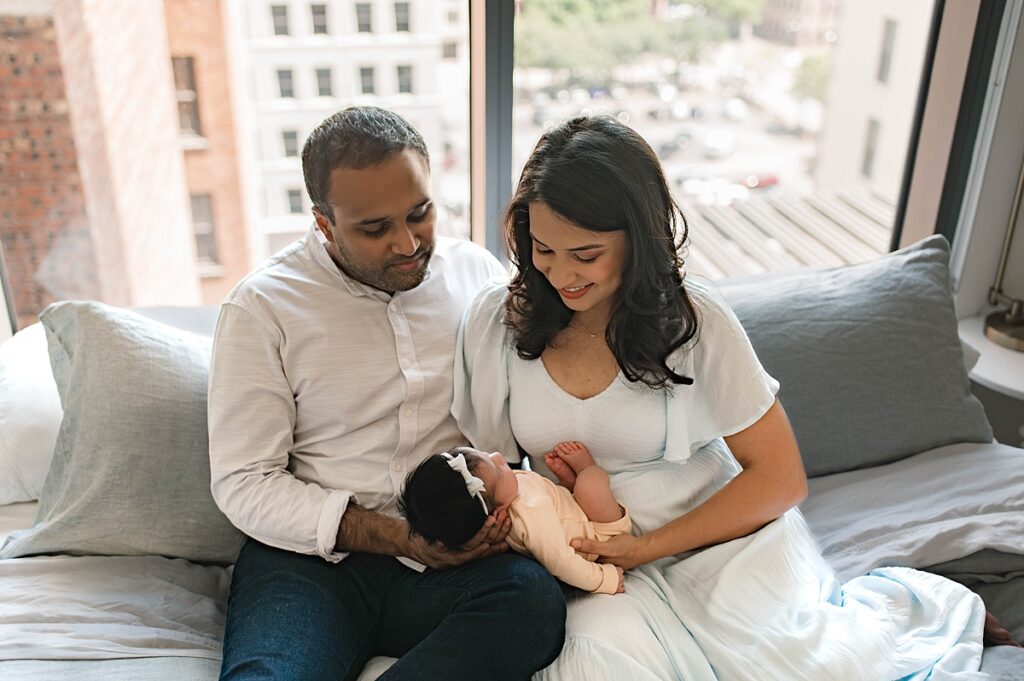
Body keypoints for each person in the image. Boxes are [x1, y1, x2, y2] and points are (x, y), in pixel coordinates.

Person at [451, 114, 1002, 680]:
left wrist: (649, 547)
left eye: (585, 255)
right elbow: (494, 466)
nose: (561, 274)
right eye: (543, 249)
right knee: (597, 668)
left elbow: (780, 478)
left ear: (637, 241)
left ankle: (915, 609)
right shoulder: (498, 322)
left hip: (716, 544)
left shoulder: (694, 323)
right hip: (592, 563)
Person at [207, 106, 565, 681]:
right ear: (325, 224)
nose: (405, 243)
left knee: (531, 604)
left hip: (458, 558)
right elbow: (243, 481)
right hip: (312, 564)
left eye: (419, 214)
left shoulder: (476, 275)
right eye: (374, 229)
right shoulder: (262, 309)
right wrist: (400, 537)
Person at [399, 442, 631, 594]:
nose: (500, 457)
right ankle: (587, 470)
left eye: (488, 456)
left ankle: (571, 490)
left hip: (575, 515)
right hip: (600, 536)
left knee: (571, 496)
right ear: (497, 514)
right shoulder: (528, 512)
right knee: (592, 485)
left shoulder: (507, 493)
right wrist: (604, 580)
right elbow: (561, 562)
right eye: (500, 471)